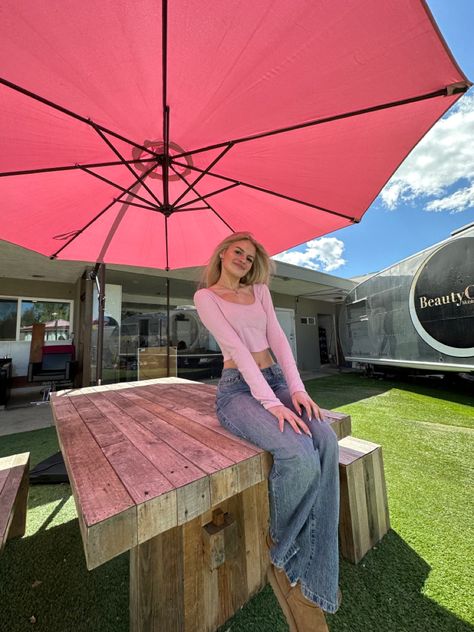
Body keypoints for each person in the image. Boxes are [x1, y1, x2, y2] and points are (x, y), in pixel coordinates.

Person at [194, 232, 340, 632]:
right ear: (222, 253)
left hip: (275, 380)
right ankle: (285, 546)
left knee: (325, 438)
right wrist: (272, 404)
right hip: (238, 389)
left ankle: (298, 557)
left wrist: (295, 390)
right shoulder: (206, 297)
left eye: (251, 255)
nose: (244, 258)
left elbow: (278, 340)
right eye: (238, 251)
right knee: (299, 453)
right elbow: (238, 351)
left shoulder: (259, 291)